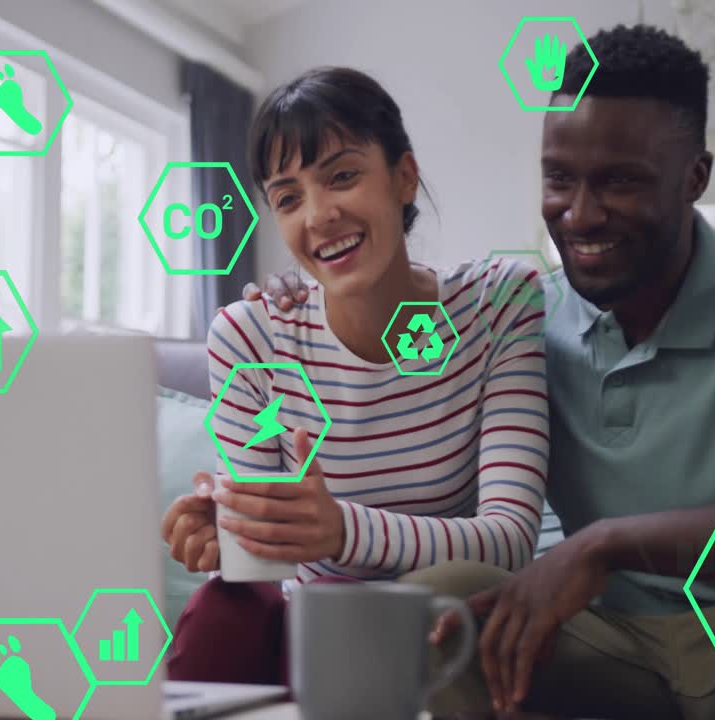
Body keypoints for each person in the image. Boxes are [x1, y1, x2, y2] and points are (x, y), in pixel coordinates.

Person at [252, 25, 715, 720]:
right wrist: (305, 297)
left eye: (620, 181)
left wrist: (610, 544)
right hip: (609, 642)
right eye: (559, 178)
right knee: (440, 598)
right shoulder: (521, 318)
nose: (579, 213)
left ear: (695, 177)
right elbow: (397, 325)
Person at [161, 66, 554, 691]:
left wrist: (340, 529)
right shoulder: (250, 337)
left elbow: (508, 541)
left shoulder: (498, 304)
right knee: (221, 608)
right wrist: (233, 532)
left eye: (342, 176)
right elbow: (264, 564)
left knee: (443, 608)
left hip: (443, 621)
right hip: (312, 633)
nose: (318, 216)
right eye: (288, 198)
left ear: (404, 176)